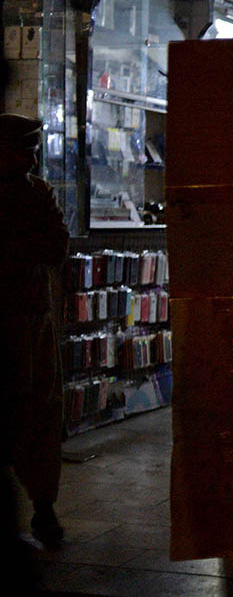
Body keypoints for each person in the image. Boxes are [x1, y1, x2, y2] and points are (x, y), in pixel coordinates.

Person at [0, 113, 69, 551]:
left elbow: (56, 246)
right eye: (23, 149)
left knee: (38, 413)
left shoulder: (38, 191)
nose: (31, 157)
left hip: (30, 318)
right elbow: (53, 245)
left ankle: (43, 509)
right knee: (34, 414)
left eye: (33, 149)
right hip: (23, 318)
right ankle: (42, 510)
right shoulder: (38, 194)